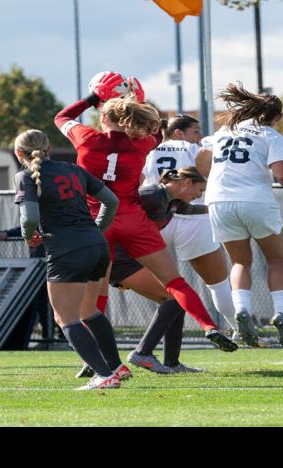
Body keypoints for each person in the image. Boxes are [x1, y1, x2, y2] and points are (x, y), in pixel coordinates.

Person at [55, 76, 236, 354]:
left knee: (96, 299)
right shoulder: (141, 144)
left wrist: (94, 97)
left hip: (97, 222)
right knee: (174, 282)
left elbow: (62, 116)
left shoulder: (86, 138)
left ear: (102, 117)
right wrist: (135, 100)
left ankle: (97, 361)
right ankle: (209, 326)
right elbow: (156, 129)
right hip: (131, 218)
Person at [12, 129, 131, 391]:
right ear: (49, 148)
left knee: (66, 319)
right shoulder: (73, 169)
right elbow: (110, 200)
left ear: (18, 153)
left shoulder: (24, 176)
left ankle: (104, 375)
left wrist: (28, 236)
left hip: (67, 249)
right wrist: (97, 230)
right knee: (89, 311)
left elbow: (29, 217)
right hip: (97, 245)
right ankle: (116, 367)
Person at [201, 83, 283, 349]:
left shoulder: (223, 133)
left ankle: (242, 311)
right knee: (276, 260)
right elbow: (282, 174)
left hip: (219, 201)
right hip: (256, 201)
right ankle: (282, 314)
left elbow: (202, 158)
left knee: (240, 262)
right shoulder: (270, 136)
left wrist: (213, 180)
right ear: (276, 116)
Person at [122, 167, 216, 373]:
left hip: (130, 258)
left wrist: (216, 209)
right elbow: (116, 211)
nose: (199, 195)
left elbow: (188, 210)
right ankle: (142, 353)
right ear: (187, 182)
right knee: (174, 298)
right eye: (199, 190)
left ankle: (171, 362)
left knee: (177, 301)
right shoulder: (151, 195)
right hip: (119, 258)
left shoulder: (170, 200)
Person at [153, 114, 238, 334]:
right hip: (194, 221)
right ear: (178, 133)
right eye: (196, 131)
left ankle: (155, 349)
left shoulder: (151, 151)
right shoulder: (195, 150)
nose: (199, 136)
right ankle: (240, 331)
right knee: (218, 285)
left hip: (158, 223)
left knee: (169, 289)